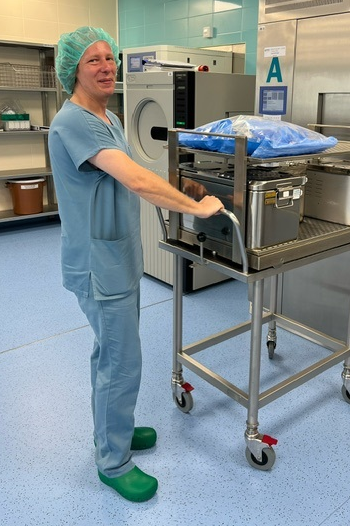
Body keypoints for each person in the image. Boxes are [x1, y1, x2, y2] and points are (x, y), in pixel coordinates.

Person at [48, 26, 223, 503]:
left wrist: (183, 186)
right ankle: (113, 461)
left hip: (118, 257)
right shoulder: (74, 122)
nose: (107, 67)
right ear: (73, 71)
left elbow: (139, 171)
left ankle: (116, 431)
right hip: (97, 264)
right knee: (119, 361)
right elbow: (136, 181)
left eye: (110, 57)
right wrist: (197, 207)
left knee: (114, 354)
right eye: (94, 60)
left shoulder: (108, 117)